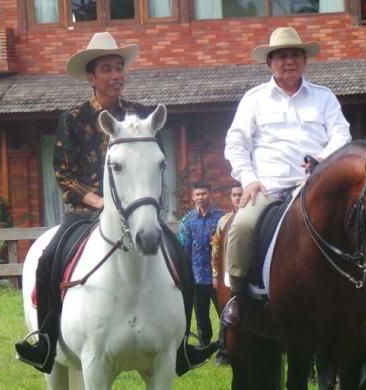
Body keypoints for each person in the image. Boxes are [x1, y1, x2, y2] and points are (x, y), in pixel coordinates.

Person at [15, 32, 216, 374]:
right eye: (107, 69)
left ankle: (182, 344)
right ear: (91, 78)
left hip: (137, 212)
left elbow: (155, 161)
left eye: (119, 68)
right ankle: (46, 339)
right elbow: (64, 175)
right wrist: (100, 202)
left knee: (179, 255)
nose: (116, 75)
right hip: (85, 213)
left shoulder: (140, 116)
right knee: (47, 258)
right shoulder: (73, 118)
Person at [222, 26, 352, 325]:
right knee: (241, 228)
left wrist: (321, 159)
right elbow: (236, 143)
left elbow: (341, 135)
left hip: (316, 187)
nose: (289, 61)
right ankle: (238, 297)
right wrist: (248, 179)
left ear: (305, 61)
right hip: (267, 188)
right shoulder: (253, 99)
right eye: (281, 56)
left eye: (295, 55)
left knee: (357, 224)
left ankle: (363, 297)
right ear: (270, 63)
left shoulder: (324, 97)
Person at [180, 181, 225, 347]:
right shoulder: (187, 221)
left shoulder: (222, 217)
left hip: (217, 276)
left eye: (204, 193)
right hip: (196, 276)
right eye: (197, 194)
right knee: (201, 314)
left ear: (210, 195)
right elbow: (184, 250)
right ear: (193, 197)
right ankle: (204, 344)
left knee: (224, 311)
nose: (200, 197)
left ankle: (226, 344)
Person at [210, 182, 242, 365]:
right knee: (226, 312)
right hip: (227, 275)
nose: (238, 198)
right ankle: (224, 350)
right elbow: (215, 250)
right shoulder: (224, 221)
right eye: (235, 195)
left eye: (240, 194)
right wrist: (216, 275)